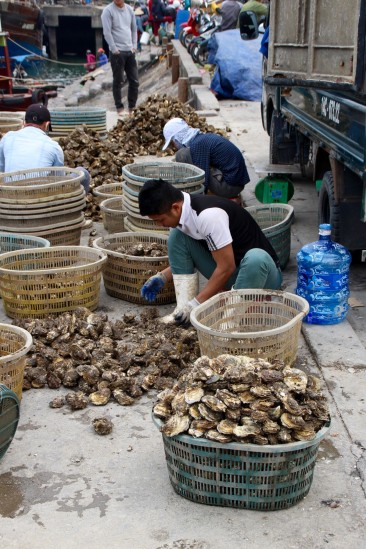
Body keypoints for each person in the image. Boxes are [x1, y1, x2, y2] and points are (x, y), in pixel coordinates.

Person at [139, 179, 282, 324]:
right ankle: (182, 313)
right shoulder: (181, 213)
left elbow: (227, 267)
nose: (160, 225)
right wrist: (163, 277)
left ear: (175, 207)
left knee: (256, 258)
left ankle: (230, 323)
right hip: (233, 272)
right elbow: (198, 256)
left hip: (262, 276)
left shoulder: (209, 216)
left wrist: (196, 303)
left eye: (160, 220)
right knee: (177, 236)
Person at [0, 104, 90, 196]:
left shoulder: (7, 138)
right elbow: (58, 181)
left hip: (10, 198)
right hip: (40, 202)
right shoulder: (53, 146)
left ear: (24, 122)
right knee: (83, 173)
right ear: (47, 125)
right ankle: (78, 208)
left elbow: (2, 170)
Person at [162, 117, 250, 202]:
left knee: (182, 154)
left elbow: (202, 180)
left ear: (177, 138)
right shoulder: (202, 139)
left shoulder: (198, 145)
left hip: (230, 187)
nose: (174, 146)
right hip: (236, 183)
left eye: (173, 143)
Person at [101, 0, 139, 115]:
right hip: (117, 52)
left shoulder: (129, 10)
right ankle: (119, 107)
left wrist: (134, 46)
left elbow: (134, 29)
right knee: (118, 80)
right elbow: (107, 32)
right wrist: (114, 49)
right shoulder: (108, 11)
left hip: (130, 51)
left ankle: (132, 107)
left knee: (134, 80)